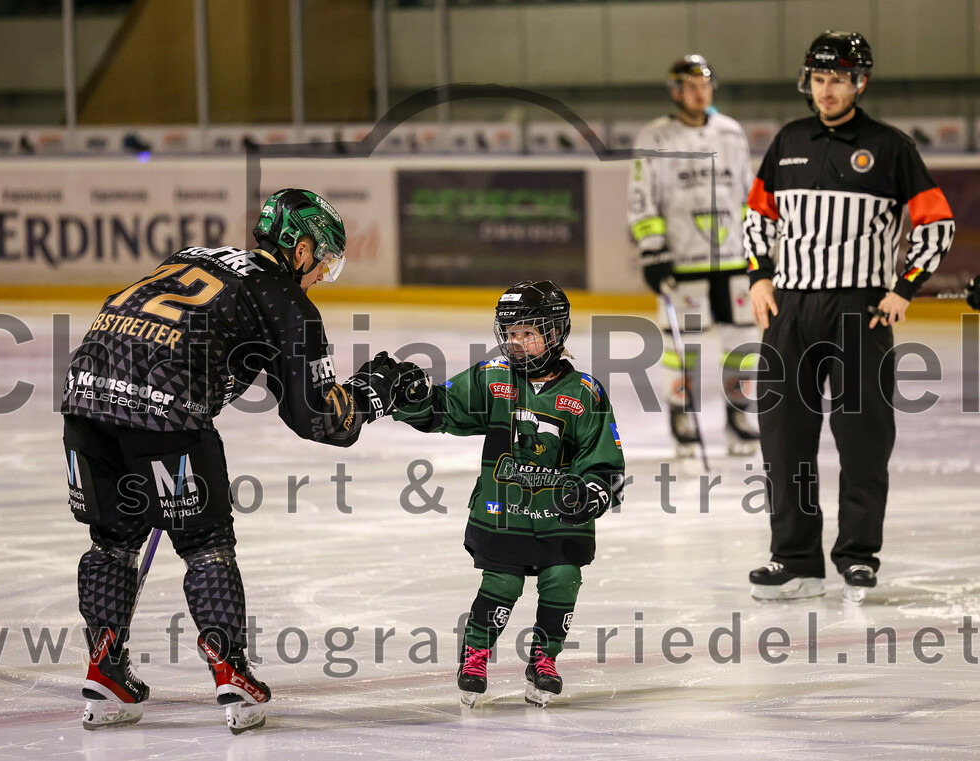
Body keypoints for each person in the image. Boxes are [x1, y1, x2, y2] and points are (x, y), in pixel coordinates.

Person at [62, 188, 426, 732]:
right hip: (164, 408)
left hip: (83, 392)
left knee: (112, 540)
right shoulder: (287, 299)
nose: (318, 278)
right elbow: (319, 420)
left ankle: (105, 672)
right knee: (206, 547)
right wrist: (377, 391)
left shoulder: (192, 255)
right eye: (321, 263)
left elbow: (177, 330)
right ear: (300, 250)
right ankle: (233, 676)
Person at [743, 32, 955, 604]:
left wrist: (904, 287)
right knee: (785, 441)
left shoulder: (890, 146)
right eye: (818, 78)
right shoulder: (788, 140)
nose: (827, 89)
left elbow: (936, 223)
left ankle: (858, 556)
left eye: (838, 78)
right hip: (791, 310)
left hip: (861, 313)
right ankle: (795, 561)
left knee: (863, 439)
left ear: (860, 82)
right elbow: (757, 217)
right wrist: (760, 276)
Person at [393, 281, 626, 708]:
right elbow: (444, 409)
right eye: (511, 334)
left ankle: (544, 660)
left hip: (560, 515)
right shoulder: (493, 377)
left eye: (528, 333)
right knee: (501, 581)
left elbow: (605, 462)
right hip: (503, 510)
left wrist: (594, 492)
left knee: (562, 578)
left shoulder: (585, 392)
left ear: (555, 333)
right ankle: (475, 658)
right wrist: (411, 398)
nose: (517, 344)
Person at [627, 54, 759, 459]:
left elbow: (747, 194)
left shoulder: (731, 134)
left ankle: (739, 414)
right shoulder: (656, 137)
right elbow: (641, 198)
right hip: (683, 262)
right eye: (691, 87)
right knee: (681, 347)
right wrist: (653, 252)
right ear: (675, 91)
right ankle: (680, 414)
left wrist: (757, 249)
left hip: (734, 260)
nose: (700, 94)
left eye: (706, 86)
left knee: (742, 342)